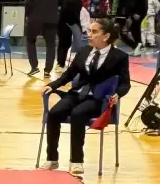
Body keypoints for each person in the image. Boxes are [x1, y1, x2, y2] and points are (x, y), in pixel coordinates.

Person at [42, 16, 131, 174]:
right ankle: (52, 158)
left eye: (94, 31)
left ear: (106, 36)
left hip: (98, 99)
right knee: (54, 113)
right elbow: (69, 74)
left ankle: (76, 161)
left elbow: (125, 83)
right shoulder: (84, 51)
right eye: (89, 30)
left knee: (78, 114)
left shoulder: (120, 57)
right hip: (77, 94)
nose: (89, 34)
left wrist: (118, 94)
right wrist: (52, 85)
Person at [23, 0, 62, 78]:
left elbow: (28, 1)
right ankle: (47, 71)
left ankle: (34, 67)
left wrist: (27, 14)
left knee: (30, 41)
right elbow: (62, 1)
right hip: (52, 18)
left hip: (35, 18)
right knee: (51, 44)